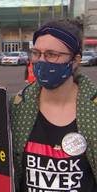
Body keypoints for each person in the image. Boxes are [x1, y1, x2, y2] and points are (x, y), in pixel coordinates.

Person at [10, 19, 97, 191]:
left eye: (51, 54)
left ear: (75, 60)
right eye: (36, 53)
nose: (41, 61)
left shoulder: (93, 110)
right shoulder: (17, 107)